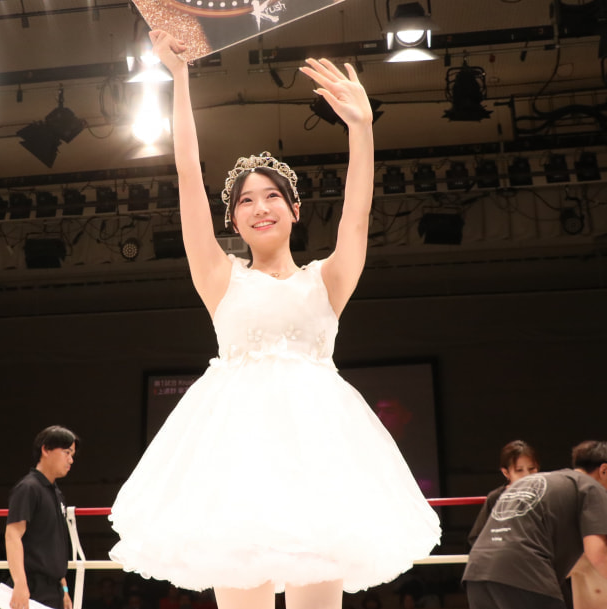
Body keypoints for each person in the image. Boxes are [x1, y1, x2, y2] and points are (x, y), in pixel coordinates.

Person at [108, 30, 442, 609]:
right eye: (244, 200)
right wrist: (179, 77)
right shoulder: (220, 278)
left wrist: (362, 128)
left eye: (271, 196)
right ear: (233, 220)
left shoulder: (327, 280)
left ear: (294, 209)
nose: (259, 207)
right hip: (237, 467)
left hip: (320, 463)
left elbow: (358, 216)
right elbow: (187, 177)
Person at [462, 440, 607, 609]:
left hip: (477, 575)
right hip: (524, 576)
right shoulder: (592, 488)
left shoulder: (531, 482)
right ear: (604, 471)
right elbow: (598, 552)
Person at [4, 426, 79, 609]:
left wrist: (64, 589)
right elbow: (12, 535)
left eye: (72, 455)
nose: (70, 460)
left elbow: (56, 545)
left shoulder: (56, 493)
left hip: (54, 589)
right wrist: (20, 584)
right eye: (66, 452)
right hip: (32, 586)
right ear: (46, 450)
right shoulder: (28, 488)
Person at [468, 440, 540, 546]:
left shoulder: (546, 495)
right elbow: (476, 538)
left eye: (532, 469)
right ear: (506, 472)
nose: (527, 475)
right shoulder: (496, 498)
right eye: (519, 470)